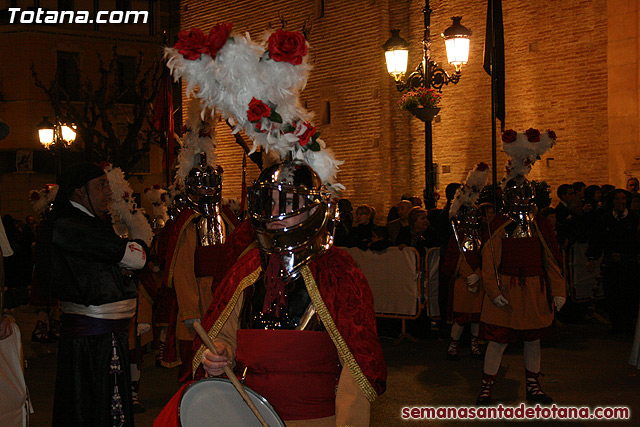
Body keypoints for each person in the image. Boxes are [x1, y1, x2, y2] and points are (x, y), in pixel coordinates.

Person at [155, 160, 387, 427]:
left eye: (287, 202)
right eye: (270, 202)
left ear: (312, 207)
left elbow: (358, 366)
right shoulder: (247, 269)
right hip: (248, 416)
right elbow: (224, 337)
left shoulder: (339, 272)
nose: (275, 213)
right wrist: (219, 354)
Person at [36, 162, 147, 426]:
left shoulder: (84, 224)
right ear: (78, 191)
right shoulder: (72, 225)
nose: (108, 192)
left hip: (101, 337)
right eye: (101, 185)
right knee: (93, 407)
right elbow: (137, 258)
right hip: (93, 342)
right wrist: (137, 246)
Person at [476, 128, 565, 406]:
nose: (521, 197)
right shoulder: (499, 225)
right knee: (498, 340)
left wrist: (558, 290)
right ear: (506, 196)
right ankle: (487, 386)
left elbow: (551, 258)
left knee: (533, 340)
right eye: (516, 193)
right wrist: (493, 290)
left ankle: (534, 386)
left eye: (525, 192)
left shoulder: (539, 224)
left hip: (535, 290)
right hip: (507, 289)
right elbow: (488, 260)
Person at [586, 189, 640, 335]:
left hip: (630, 265)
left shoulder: (635, 219)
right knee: (613, 295)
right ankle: (616, 325)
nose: (620, 202)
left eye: (623, 199)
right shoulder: (605, 219)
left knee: (629, 295)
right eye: (617, 199)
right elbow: (597, 239)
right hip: (612, 265)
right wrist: (591, 257)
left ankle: (629, 326)